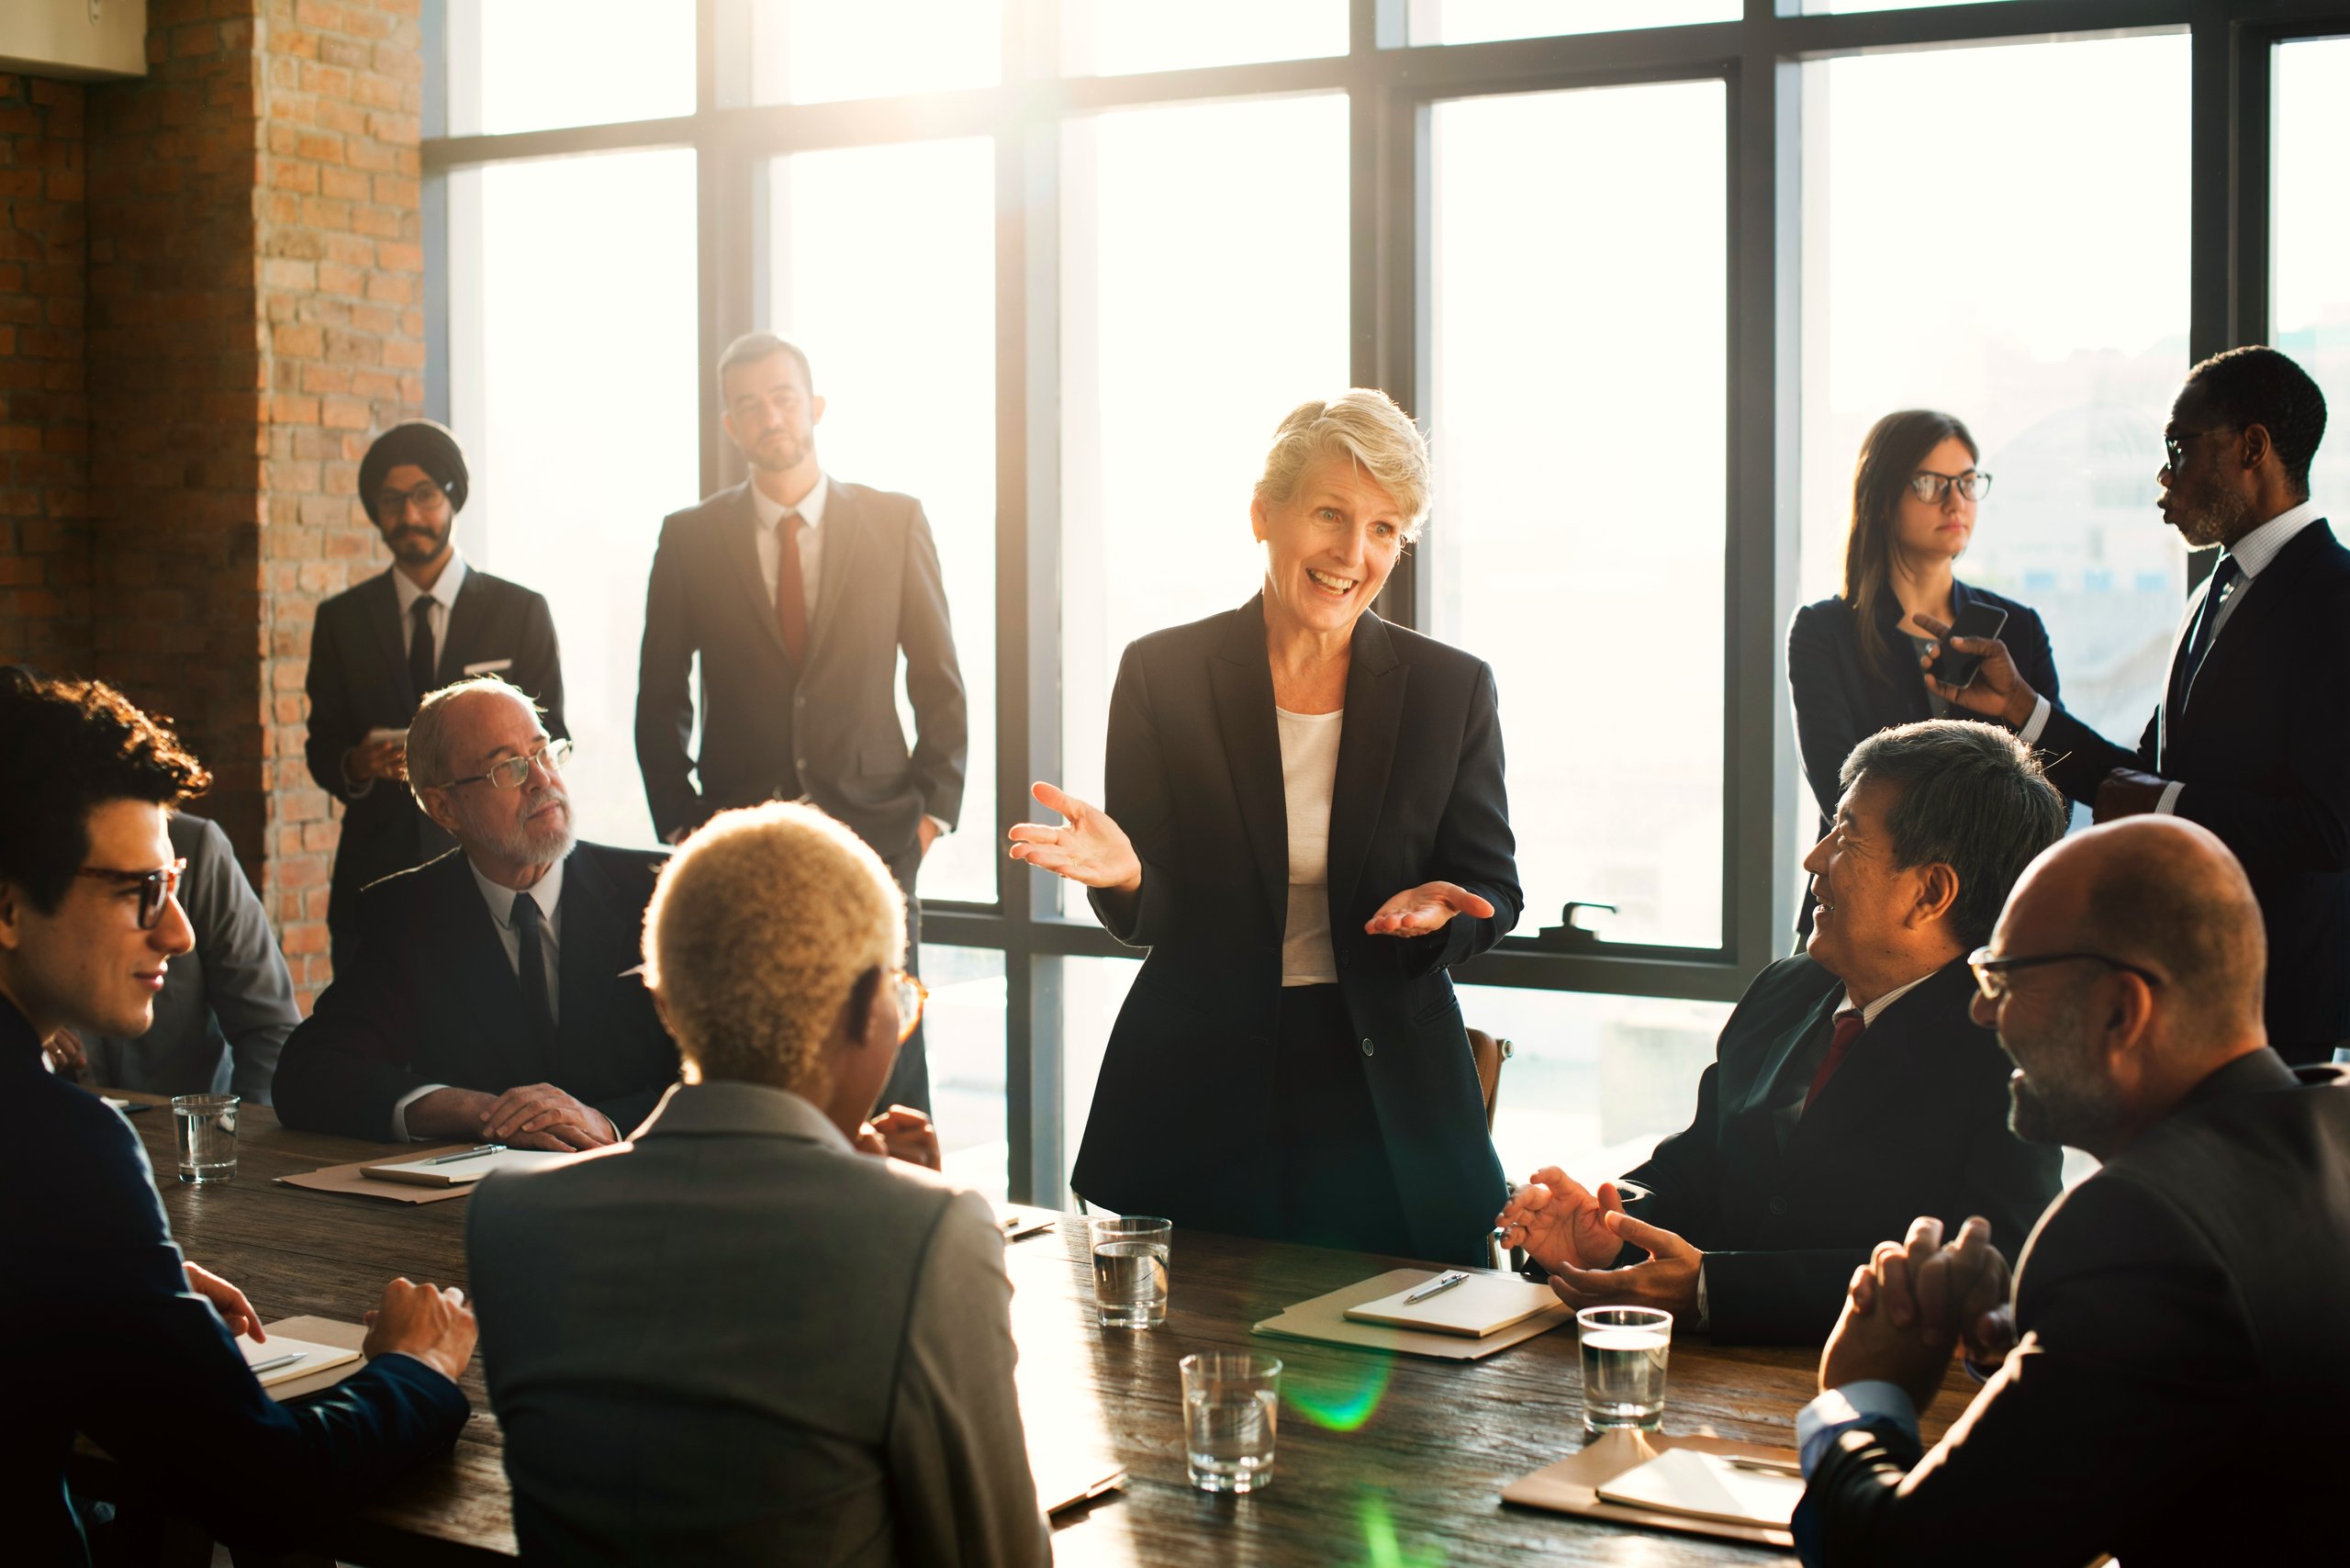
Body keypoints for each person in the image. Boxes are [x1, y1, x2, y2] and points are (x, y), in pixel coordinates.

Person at [1011, 390, 1518, 1264]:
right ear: (1263, 512)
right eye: (1330, 514)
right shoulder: (1162, 673)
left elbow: (1493, 886)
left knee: (1416, 1385)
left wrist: (1444, 915)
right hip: (1203, 1081)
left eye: (1384, 529)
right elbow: (1159, 906)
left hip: (1384, 1090)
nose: (1352, 554)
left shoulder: (1451, 689)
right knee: (1178, 1372)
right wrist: (1131, 877)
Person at [467, 803, 1048, 1566]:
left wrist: (875, 1197)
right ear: (869, 1007)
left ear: (667, 1003)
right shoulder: (928, 1239)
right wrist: (908, 1221)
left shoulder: (510, 1219)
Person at [0, 673, 476, 1567]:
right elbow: (270, 1484)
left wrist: (110, 1272)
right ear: (7, 907)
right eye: (139, 889)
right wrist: (417, 1370)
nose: (177, 932)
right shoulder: (63, 1149)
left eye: (174, 882)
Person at [1792, 816, 2350, 1566]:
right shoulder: (2332, 1121)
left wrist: (1858, 1396)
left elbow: (1901, 1559)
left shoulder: (2144, 1226)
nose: (1980, 1011)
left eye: (2005, 980)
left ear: (2121, 1010)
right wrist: (2031, 1337)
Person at [1497, 721, 2065, 1344]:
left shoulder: (2007, 1048)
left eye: (1846, 837)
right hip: (1701, 1384)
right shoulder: (1786, 989)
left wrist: (1716, 1291)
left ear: (1930, 891)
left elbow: (1991, 1273)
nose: (1814, 859)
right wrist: (1609, 1224)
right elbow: (1702, 1161)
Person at [1924, 346, 2347, 1062]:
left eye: (2180, 447)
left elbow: (2331, 828)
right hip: (2180, 984)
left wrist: (2167, 807)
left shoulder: (2337, 598)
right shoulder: (2209, 596)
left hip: (2277, 1005)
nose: (2163, 474)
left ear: (2252, 447)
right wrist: (2025, 708)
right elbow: (2138, 778)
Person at [636, 331, 966, 1115]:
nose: (769, 416)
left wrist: (930, 818)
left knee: (889, 1044)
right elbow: (659, 697)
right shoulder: (689, 538)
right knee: (752, 1047)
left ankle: (910, 1215)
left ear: (814, 406)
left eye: (783, 397)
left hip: (878, 838)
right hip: (741, 838)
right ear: (730, 426)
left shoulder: (894, 521)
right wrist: (685, 825)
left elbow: (939, 681)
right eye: (748, 405)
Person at [274, 676, 677, 1147]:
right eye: (508, 768)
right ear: (444, 807)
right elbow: (310, 1074)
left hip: (644, 1184)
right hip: (473, 1205)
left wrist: (605, 1124)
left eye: (543, 752)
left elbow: (738, 1075)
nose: (543, 780)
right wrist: (478, 1110)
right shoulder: (407, 914)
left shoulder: (660, 889)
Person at [1787, 410, 2057, 940]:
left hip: (1985, 913)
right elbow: (1838, 783)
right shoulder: (1826, 630)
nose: (1954, 501)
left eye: (1967, 481)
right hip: (1857, 904)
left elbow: (2044, 783)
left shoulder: (2018, 629)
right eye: (1931, 483)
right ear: (1884, 497)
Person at [307, 420, 565, 969]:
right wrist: (356, 762)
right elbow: (321, 746)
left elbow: (554, 732)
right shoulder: (341, 621)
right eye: (392, 501)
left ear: (453, 498)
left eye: (425, 495)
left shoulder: (519, 612)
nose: (409, 516)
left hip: (496, 866)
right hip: (374, 871)